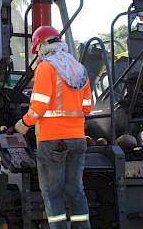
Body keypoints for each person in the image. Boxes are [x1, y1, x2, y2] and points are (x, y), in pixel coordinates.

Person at [12, 25, 93, 229]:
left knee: (52, 192)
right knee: (75, 190)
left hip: (52, 140)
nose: (37, 53)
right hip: (77, 139)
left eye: (37, 48)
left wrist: (22, 125)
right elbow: (87, 108)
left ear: (44, 44)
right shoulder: (79, 69)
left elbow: (38, 107)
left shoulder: (46, 67)